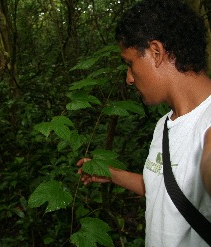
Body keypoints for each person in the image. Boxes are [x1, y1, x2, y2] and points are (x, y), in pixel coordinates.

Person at [77, 0, 211, 246]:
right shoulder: (164, 125)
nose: (129, 78)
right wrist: (111, 174)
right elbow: (165, 192)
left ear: (156, 52)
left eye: (130, 63)